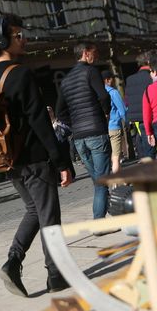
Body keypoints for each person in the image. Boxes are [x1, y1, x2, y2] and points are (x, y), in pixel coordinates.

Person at [0, 13, 73, 296]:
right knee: (49, 216)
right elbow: (39, 121)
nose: (24, 39)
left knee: (34, 210)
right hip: (35, 158)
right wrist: (61, 161)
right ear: (3, 40)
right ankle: (56, 276)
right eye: (18, 35)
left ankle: (13, 261)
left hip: (9, 158)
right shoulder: (21, 73)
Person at [56, 42, 111, 219]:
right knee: (101, 182)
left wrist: (74, 123)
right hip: (96, 131)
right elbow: (103, 95)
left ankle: (109, 210)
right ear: (86, 53)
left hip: (79, 138)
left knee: (97, 180)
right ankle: (99, 221)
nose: (96, 57)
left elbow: (59, 111)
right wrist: (106, 112)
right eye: (94, 53)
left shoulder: (65, 80)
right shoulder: (91, 71)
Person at [124, 51, 154, 160]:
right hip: (153, 116)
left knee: (146, 145)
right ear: (149, 62)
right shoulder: (151, 77)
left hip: (138, 118)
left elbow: (128, 99)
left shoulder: (130, 79)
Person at [101, 70, 127, 173]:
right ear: (107, 80)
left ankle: (122, 180)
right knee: (116, 157)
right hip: (115, 127)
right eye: (112, 78)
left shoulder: (98, 94)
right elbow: (122, 110)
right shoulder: (113, 92)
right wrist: (127, 124)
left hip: (103, 129)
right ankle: (116, 182)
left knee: (112, 156)